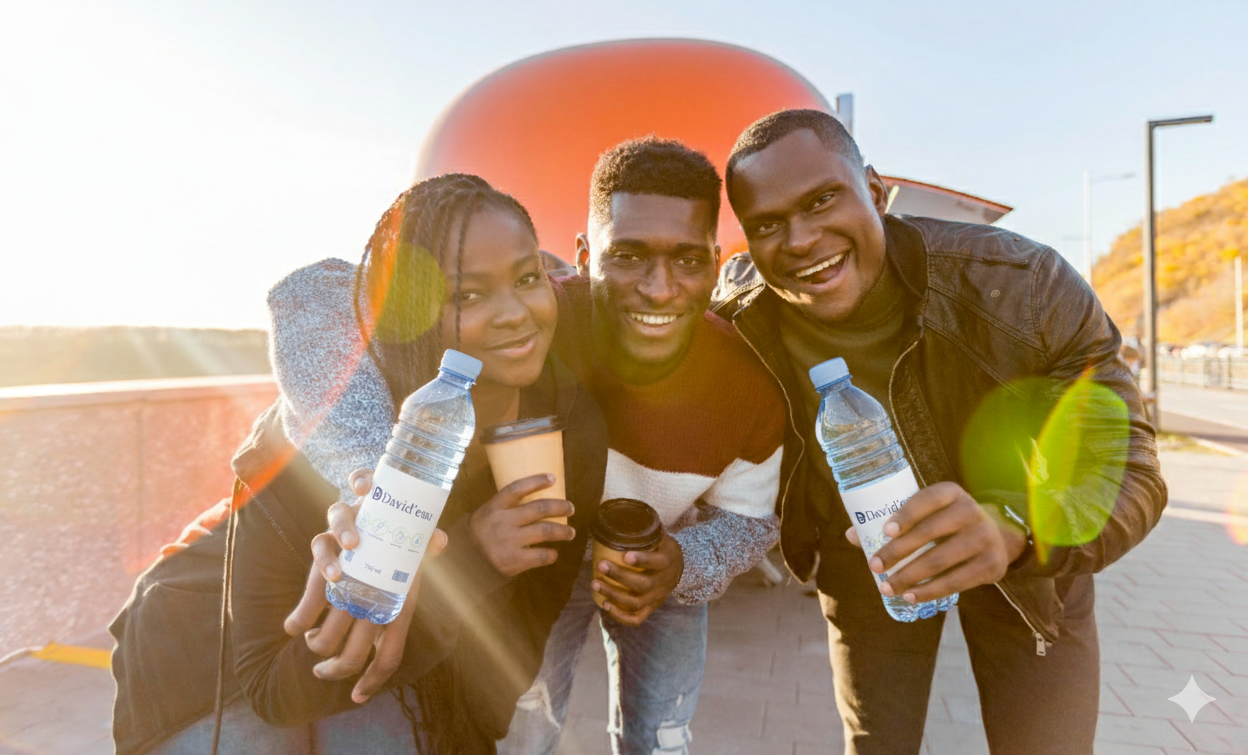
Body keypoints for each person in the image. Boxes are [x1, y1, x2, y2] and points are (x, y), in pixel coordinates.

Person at [308, 138, 787, 755]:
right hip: (540, 563)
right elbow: (315, 293)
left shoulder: (747, 386)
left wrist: (680, 565)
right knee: (525, 728)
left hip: (661, 566)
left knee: (662, 740)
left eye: (688, 261)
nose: (660, 288)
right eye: (629, 256)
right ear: (584, 256)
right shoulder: (533, 317)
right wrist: (387, 498)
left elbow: (752, 520)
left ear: (717, 262)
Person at [711, 109, 1167, 755]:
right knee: (878, 746)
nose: (802, 239)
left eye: (821, 200)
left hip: (1031, 556)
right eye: (768, 225)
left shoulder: (1024, 286)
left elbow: (1127, 468)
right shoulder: (739, 323)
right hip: (869, 560)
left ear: (874, 191)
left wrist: (1017, 529)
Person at [110, 174, 607, 754]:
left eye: (527, 278)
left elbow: (508, 661)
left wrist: (461, 568)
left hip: (385, 667)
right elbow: (274, 687)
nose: (515, 314)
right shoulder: (330, 424)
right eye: (466, 295)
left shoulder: (568, 425)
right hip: (209, 657)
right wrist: (454, 552)